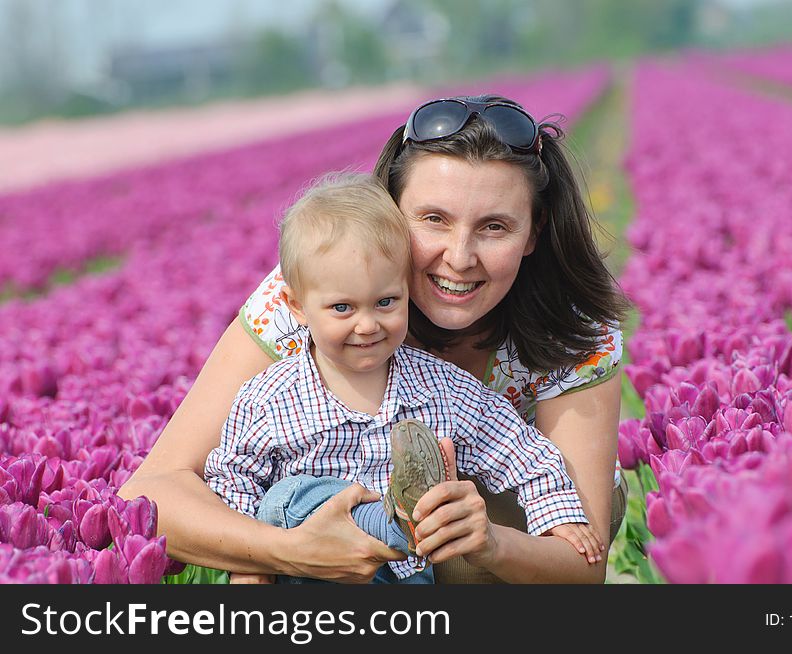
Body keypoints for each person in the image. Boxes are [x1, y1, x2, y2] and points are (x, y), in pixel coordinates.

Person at [120, 94, 630, 584]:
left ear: (534, 232)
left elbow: (581, 564)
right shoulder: (318, 297)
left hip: (495, 541)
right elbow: (151, 493)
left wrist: (492, 543)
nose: (459, 256)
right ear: (388, 213)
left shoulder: (574, 334)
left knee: (459, 539)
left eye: (494, 227)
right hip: (322, 532)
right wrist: (287, 553)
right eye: (433, 219)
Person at [204, 173, 604, 584]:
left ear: (406, 291)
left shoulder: (440, 388)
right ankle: (392, 519)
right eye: (342, 308)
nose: (367, 325)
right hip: (303, 567)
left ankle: (399, 524)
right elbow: (233, 479)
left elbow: (520, 450)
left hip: (401, 575)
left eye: (385, 302)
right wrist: (249, 568)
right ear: (297, 306)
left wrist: (557, 517)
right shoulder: (268, 397)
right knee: (287, 498)